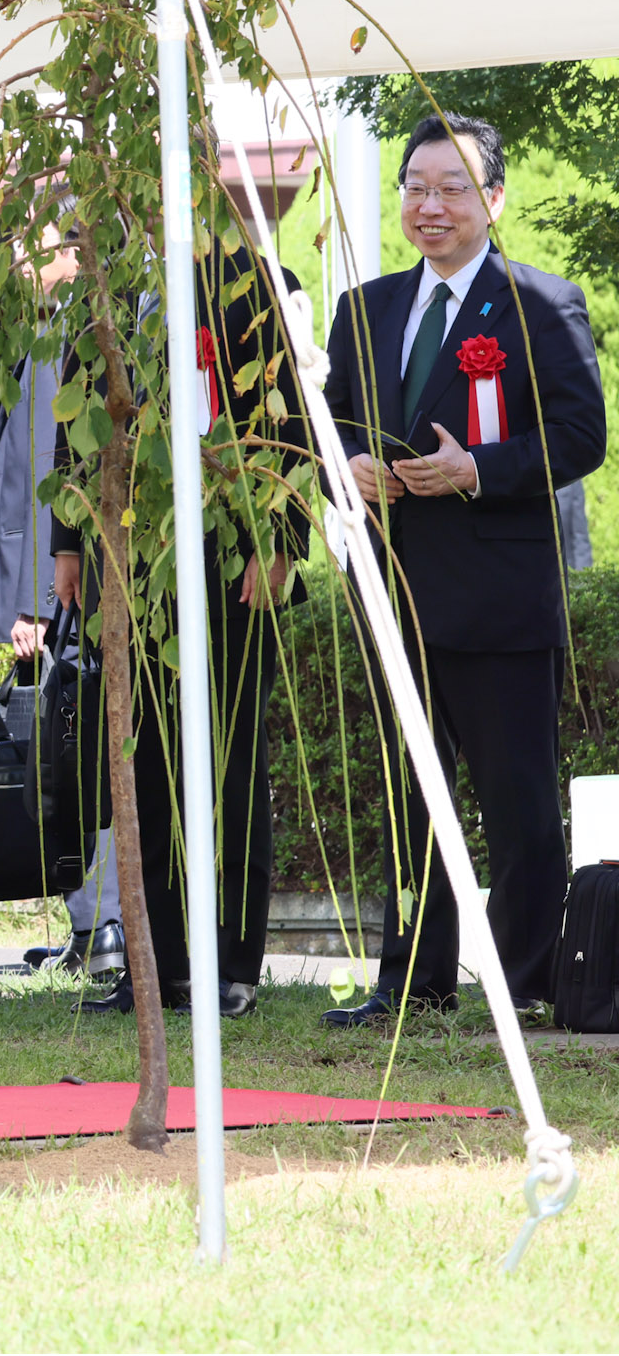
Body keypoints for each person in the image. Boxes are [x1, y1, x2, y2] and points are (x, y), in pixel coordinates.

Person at [320, 112, 605, 1023]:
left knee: (518, 806)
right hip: (398, 589)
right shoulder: (365, 308)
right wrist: (351, 466)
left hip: (502, 596)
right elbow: (326, 423)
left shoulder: (541, 303)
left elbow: (580, 435)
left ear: (494, 197)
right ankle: (415, 982)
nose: (430, 205)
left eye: (451, 188)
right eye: (415, 186)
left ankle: (526, 984)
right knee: (412, 803)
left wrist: (478, 468)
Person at [52, 208, 311, 1022]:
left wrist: (283, 542)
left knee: (228, 761)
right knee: (144, 767)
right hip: (128, 562)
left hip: (233, 557)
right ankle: (152, 962)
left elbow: (295, 426)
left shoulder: (259, 284)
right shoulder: (104, 288)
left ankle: (232, 962)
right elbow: (74, 423)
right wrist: (68, 544)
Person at [0, 224, 124, 982]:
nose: (29, 259)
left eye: (50, 242)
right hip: (48, 586)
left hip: (70, 588)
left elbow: (51, 476)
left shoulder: (84, 331)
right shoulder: (16, 329)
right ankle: (88, 920)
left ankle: (106, 924)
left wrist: (36, 598)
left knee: (86, 754)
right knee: (62, 758)